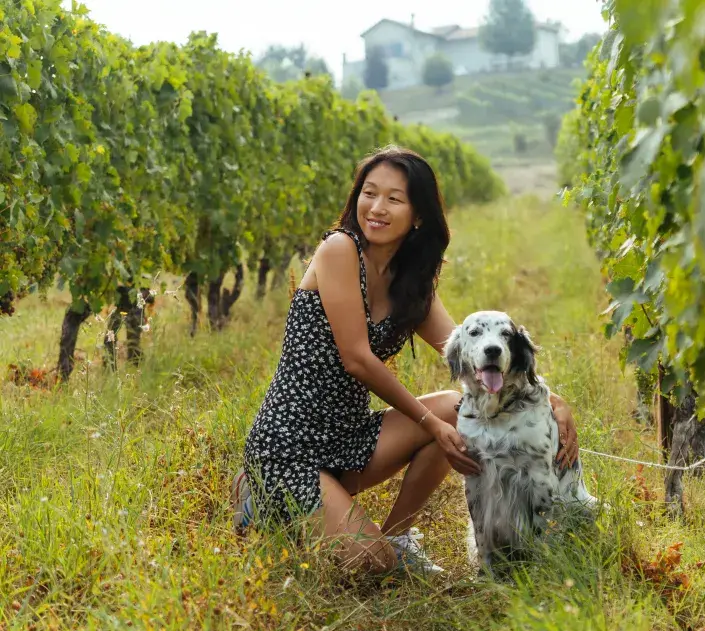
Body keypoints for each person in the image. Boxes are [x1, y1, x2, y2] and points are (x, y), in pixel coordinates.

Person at [231, 145, 581, 575]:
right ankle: (258, 493)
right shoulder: (339, 250)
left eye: (394, 199)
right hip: (288, 445)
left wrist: (552, 400)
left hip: (349, 437)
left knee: (455, 409)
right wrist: (425, 422)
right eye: (369, 193)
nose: (376, 208)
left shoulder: (410, 284)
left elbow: (466, 354)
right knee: (368, 563)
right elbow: (357, 358)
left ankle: (397, 538)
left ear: (417, 216)